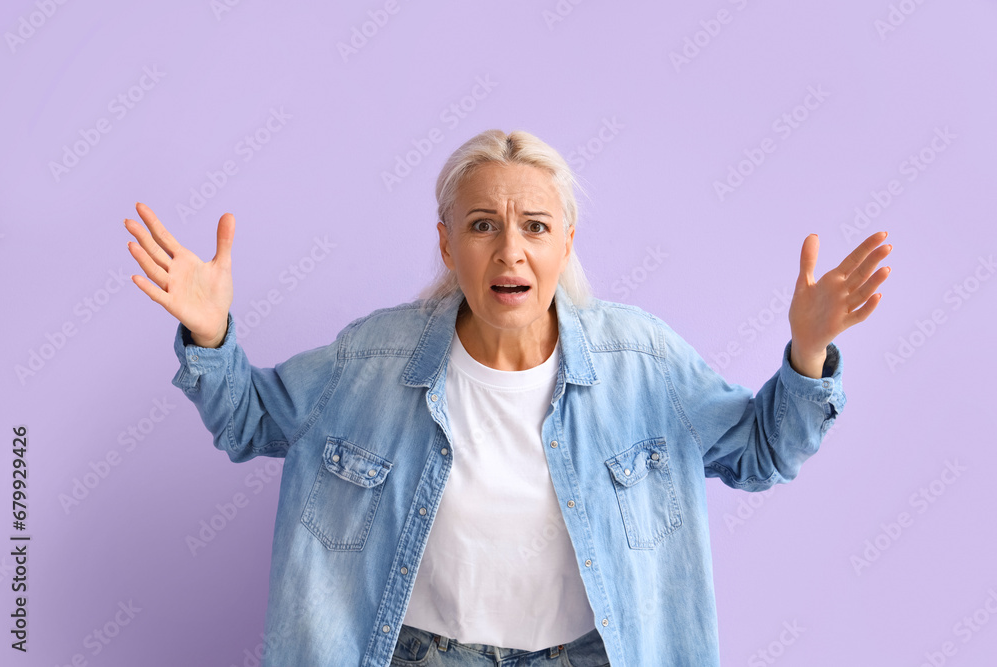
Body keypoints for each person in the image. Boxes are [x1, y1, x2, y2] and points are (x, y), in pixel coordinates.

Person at [124, 129, 891, 667]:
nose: (509, 249)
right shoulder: (373, 357)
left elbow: (760, 451)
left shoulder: (642, 361)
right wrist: (213, 332)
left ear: (566, 241)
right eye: (483, 225)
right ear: (447, 242)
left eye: (534, 225)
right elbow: (252, 419)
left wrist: (808, 350)